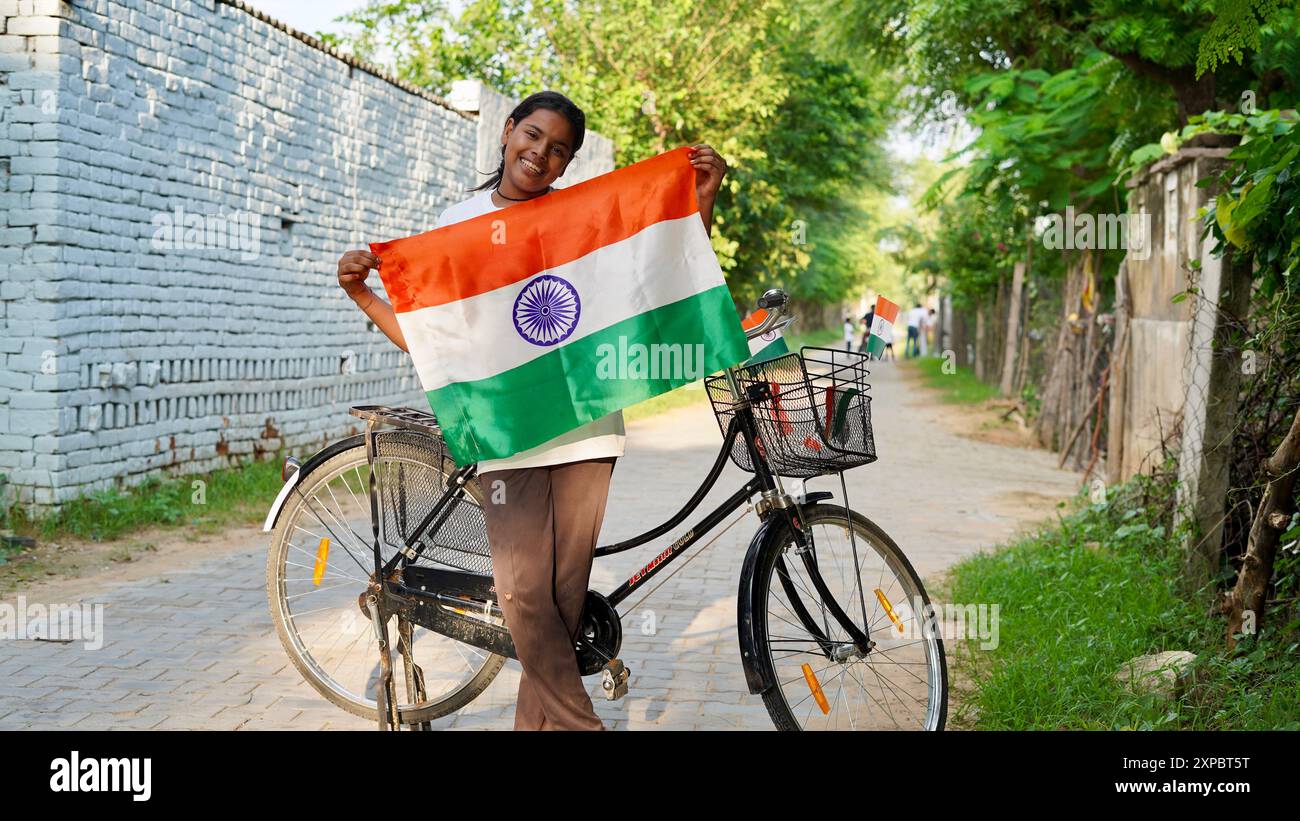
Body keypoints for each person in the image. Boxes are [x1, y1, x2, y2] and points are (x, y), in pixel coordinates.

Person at [334, 91, 729, 730]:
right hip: (506, 433)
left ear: (569, 164)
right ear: (507, 132)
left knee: (562, 606)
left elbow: (661, 280)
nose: (540, 154)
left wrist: (701, 199)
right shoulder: (456, 223)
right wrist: (362, 293)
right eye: (533, 135)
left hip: (587, 433)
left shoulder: (585, 217)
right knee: (523, 594)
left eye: (559, 149)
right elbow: (429, 341)